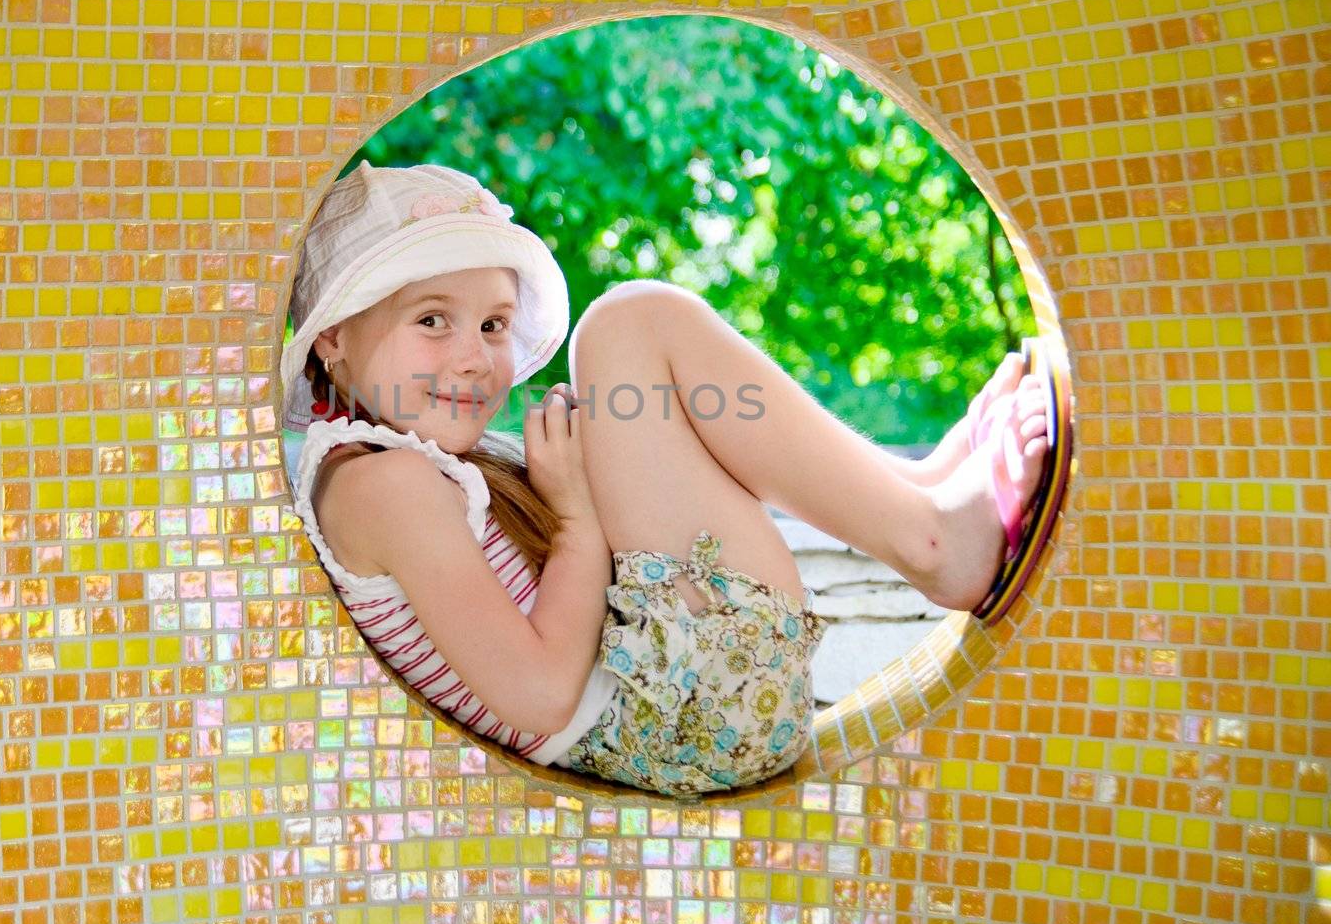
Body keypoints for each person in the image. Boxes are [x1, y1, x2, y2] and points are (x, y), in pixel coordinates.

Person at [281, 160, 1055, 797]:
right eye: (431, 320)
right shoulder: (383, 487)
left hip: (677, 693)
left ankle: (918, 490)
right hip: (681, 713)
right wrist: (578, 521)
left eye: (492, 323)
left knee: (629, 386)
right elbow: (544, 692)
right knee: (629, 324)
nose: (477, 356)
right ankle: (932, 540)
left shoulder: (400, 468)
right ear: (334, 340)